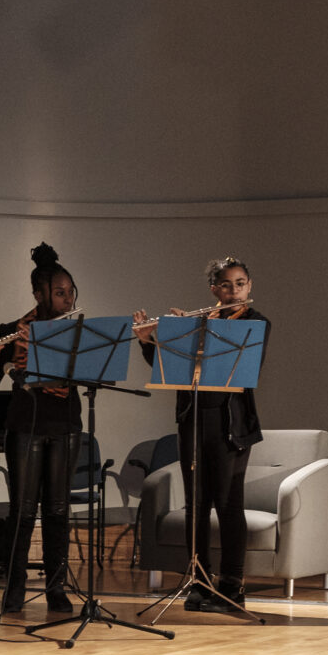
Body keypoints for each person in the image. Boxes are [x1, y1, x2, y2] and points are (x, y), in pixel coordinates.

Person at [132, 257, 267, 611]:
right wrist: (153, 340)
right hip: (193, 421)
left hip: (231, 425)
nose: (233, 291)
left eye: (240, 284)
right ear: (214, 290)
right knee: (196, 506)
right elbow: (171, 369)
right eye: (226, 285)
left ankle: (232, 585)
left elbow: (241, 372)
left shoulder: (255, 323)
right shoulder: (198, 322)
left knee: (228, 504)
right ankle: (199, 581)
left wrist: (203, 330)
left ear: (249, 286)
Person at [0, 242, 81, 616]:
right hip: (25, 426)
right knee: (23, 511)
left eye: (71, 291)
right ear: (38, 295)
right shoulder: (12, 330)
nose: (67, 299)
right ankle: (14, 589)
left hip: (67, 424)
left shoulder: (79, 333)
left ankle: (56, 589)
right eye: (59, 292)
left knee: (58, 510)